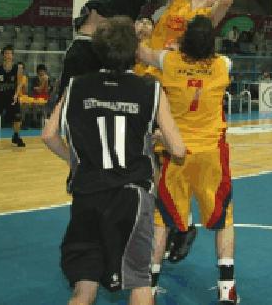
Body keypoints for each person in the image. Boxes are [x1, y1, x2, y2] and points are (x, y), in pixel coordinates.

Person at [41, 17, 186, 305]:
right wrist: (157, 139)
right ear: (135, 52)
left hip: (87, 195)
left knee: (84, 287)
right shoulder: (150, 89)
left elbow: (48, 135)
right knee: (139, 282)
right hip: (130, 196)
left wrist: (76, 161)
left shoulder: (76, 86)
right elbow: (179, 150)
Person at [138, 16, 239, 305]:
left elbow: (140, 52)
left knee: (162, 222)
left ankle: (151, 288)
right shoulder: (223, 65)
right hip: (211, 155)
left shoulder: (168, 61)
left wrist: (145, 32)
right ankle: (226, 289)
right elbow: (214, 57)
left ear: (185, 39)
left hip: (174, 151)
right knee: (223, 220)